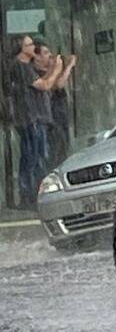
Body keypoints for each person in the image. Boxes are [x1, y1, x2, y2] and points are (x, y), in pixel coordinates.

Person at [6, 34, 64, 209]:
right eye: (30, 44)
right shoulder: (21, 67)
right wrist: (57, 69)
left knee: (36, 158)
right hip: (31, 119)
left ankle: (34, 195)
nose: (33, 47)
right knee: (33, 159)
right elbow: (45, 85)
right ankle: (30, 197)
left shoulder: (25, 67)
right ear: (22, 48)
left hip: (35, 119)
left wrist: (54, 68)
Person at [33, 42, 76, 168]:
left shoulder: (49, 72)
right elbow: (58, 84)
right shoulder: (38, 74)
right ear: (37, 57)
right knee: (54, 151)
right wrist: (67, 67)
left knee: (62, 148)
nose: (50, 56)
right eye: (46, 53)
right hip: (51, 118)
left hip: (60, 117)